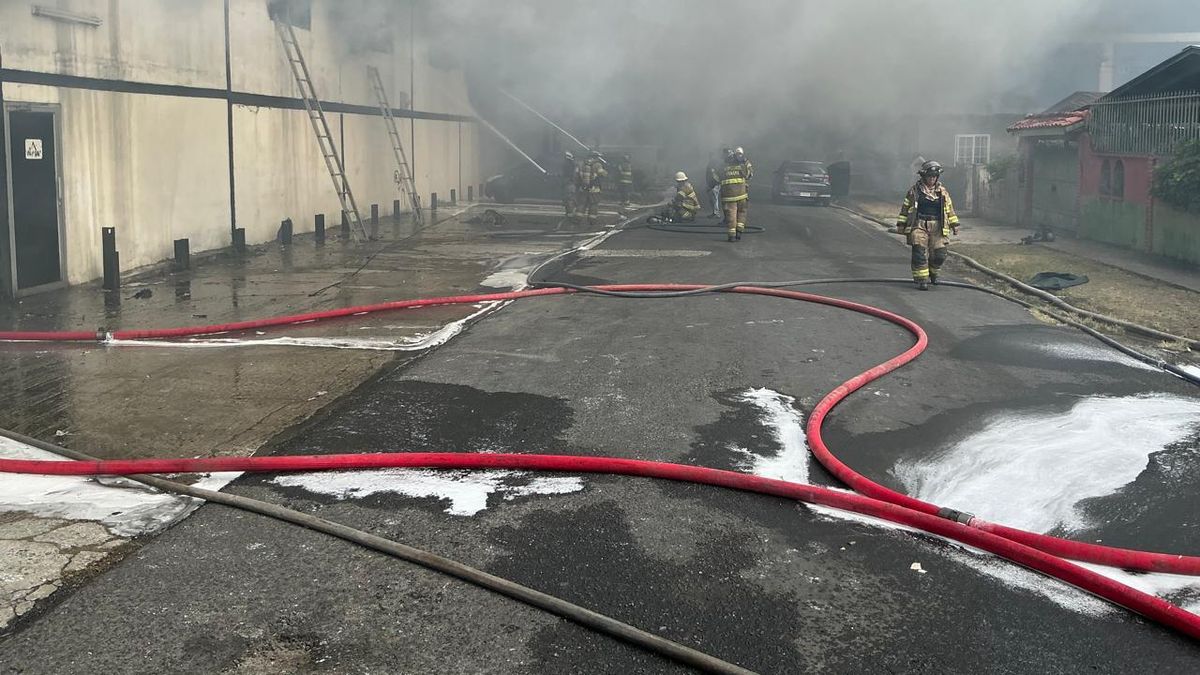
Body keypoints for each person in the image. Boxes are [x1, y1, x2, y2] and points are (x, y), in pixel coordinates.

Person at [896, 160, 960, 290]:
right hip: (919, 224)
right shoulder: (914, 191)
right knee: (919, 252)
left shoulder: (942, 192)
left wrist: (954, 224)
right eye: (929, 176)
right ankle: (922, 279)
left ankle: (933, 273)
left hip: (938, 226)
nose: (932, 179)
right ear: (924, 176)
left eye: (934, 176)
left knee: (940, 254)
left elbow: (949, 209)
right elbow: (905, 208)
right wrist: (901, 224)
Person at [719, 149, 751, 242]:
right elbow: (749, 174)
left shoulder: (722, 167)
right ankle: (739, 233)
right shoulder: (741, 166)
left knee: (731, 215)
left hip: (729, 197)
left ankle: (731, 236)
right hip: (742, 195)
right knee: (742, 212)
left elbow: (716, 178)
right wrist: (746, 161)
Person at [576, 149, 607, 227]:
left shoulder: (581, 164)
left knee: (582, 204)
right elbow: (602, 174)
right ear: (595, 157)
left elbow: (576, 175)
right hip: (594, 189)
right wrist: (605, 171)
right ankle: (592, 220)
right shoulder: (597, 165)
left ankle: (577, 219)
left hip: (583, 188)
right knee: (593, 204)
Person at [706, 148, 728, 218]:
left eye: (711, 155)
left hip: (714, 184)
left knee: (714, 198)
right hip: (712, 183)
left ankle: (716, 213)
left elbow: (715, 175)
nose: (710, 156)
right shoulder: (712, 163)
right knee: (712, 199)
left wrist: (714, 184)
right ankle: (715, 212)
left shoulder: (713, 163)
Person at [560, 151, 578, 218]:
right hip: (570, 183)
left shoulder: (568, 164)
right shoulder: (572, 164)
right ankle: (570, 213)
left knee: (569, 198)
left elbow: (567, 174)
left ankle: (570, 213)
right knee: (569, 198)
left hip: (569, 183)